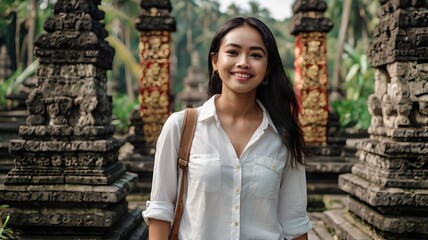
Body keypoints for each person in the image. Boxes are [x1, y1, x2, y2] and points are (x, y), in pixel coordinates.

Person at [143, 16, 312, 240]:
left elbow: (294, 222)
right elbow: (160, 210)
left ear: (268, 67)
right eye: (233, 52)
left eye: (255, 55)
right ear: (215, 61)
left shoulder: (284, 135)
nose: (243, 62)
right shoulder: (181, 126)